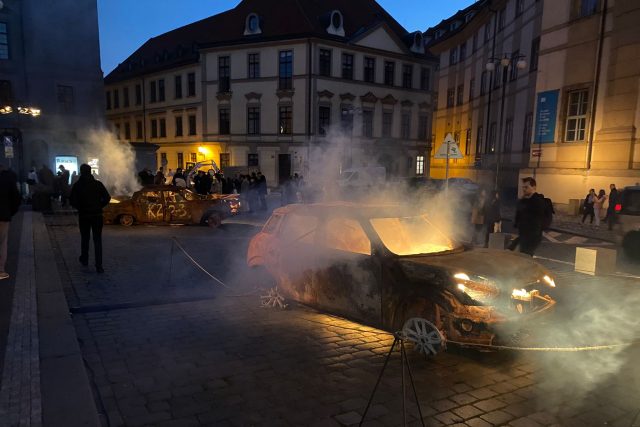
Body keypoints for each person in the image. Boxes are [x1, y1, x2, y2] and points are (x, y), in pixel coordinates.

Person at [70, 164, 111, 273]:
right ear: (90, 171)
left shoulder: (77, 186)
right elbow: (107, 197)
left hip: (84, 216)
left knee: (85, 238)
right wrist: (99, 206)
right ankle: (99, 266)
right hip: (97, 215)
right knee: (97, 240)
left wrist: (80, 207)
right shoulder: (98, 184)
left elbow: (72, 201)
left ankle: (84, 259)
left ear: (81, 172)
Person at [510, 177, 545, 256]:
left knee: (525, 256)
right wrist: (516, 225)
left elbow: (543, 218)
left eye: (526, 187)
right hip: (523, 234)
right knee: (513, 252)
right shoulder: (523, 200)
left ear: (534, 187)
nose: (524, 189)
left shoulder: (538, 201)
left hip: (532, 236)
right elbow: (518, 214)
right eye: (523, 187)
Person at [0, 164, 21, 280]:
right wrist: (10, 211)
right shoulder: (7, 178)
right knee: (2, 242)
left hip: (4, 214)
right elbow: (16, 198)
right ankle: (1, 270)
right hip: (3, 215)